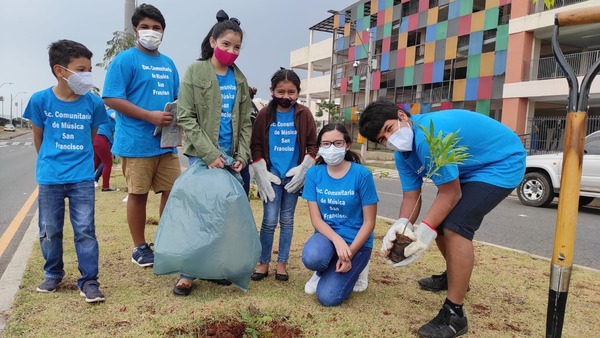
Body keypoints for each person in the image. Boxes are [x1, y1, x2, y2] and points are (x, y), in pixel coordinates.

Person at [358, 99, 526, 338]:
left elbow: (451, 193)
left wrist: (423, 233)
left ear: (402, 116)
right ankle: (456, 276)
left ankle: (455, 314)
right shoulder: (403, 156)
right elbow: (411, 197)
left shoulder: (429, 138)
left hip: (500, 162)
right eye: (382, 140)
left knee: (456, 227)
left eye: (388, 129)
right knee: (440, 223)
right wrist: (400, 227)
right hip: (467, 169)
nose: (389, 140)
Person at [172, 9, 252, 296]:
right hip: (203, 158)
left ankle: (217, 267)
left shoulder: (240, 79)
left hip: (233, 160)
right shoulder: (196, 72)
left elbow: (245, 123)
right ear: (213, 41)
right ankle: (187, 273)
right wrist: (209, 154)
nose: (231, 51)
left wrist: (242, 155)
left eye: (237, 47)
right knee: (200, 214)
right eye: (226, 44)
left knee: (227, 217)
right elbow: (186, 117)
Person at [23, 39, 108, 303]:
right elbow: (39, 138)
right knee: (49, 229)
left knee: (85, 229)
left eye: (89, 69)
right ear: (60, 70)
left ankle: (89, 280)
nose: (87, 76)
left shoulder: (93, 103)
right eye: (81, 69)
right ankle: (53, 274)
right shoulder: (40, 100)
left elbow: (92, 136)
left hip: (82, 177)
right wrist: (51, 163)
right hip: (50, 177)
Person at [102, 3, 180, 268]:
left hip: (166, 143)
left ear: (163, 32)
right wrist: (149, 115)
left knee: (172, 191)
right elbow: (111, 98)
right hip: (136, 142)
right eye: (145, 27)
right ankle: (139, 247)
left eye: (156, 28)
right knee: (138, 194)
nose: (151, 32)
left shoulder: (169, 64)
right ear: (136, 30)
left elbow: (177, 99)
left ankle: (165, 239)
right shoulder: (125, 60)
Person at [250, 68, 318, 282]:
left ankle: (282, 263)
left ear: (298, 92)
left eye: (291, 92)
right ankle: (263, 262)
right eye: (281, 91)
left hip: (292, 178)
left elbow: (312, 146)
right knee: (269, 220)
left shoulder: (304, 114)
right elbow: (256, 145)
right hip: (272, 177)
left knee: (287, 220)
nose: (285, 96)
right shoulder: (264, 114)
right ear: (272, 91)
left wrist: (304, 168)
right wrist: (261, 171)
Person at [301, 123, 378, 306]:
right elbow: (316, 219)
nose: (331, 148)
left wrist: (349, 254)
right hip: (328, 236)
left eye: (337, 143)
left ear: (347, 145)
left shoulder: (362, 175)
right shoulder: (313, 174)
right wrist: (337, 240)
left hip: (357, 242)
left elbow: (369, 222)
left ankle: (360, 268)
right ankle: (321, 271)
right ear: (319, 147)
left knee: (328, 298)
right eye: (326, 144)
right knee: (312, 257)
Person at [240, 86, 259, 197]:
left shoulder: (244, 107)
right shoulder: (254, 108)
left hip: (242, 147)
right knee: (245, 176)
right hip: (248, 149)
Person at [93, 108, 117, 191]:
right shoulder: (110, 111)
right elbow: (115, 116)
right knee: (108, 163)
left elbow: (113, 134)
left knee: (96, 163)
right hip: (101, 138)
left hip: (98, 138)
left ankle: (84, 182)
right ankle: (105, 186)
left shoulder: (112, 123)